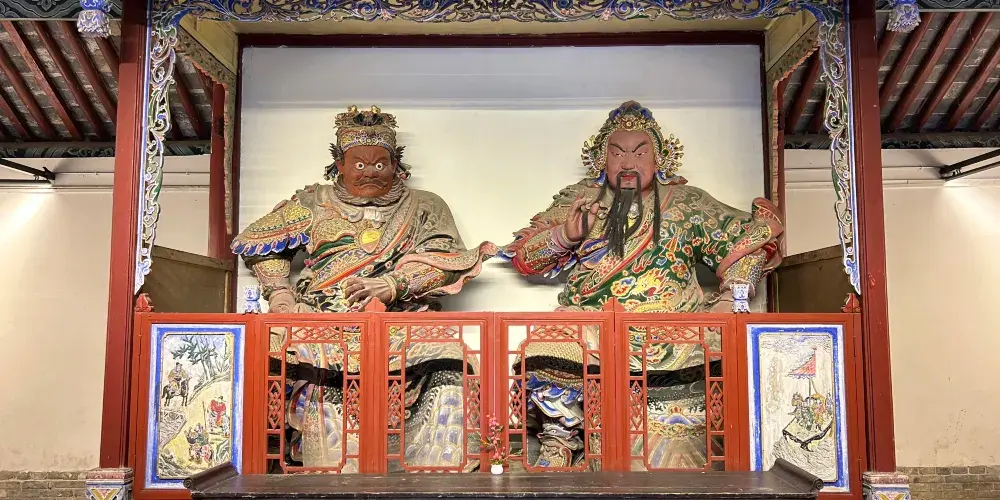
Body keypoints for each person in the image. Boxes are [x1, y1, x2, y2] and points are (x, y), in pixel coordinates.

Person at [504, 101, 784, 469]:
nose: (627, 162)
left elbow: (750, 241)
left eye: (639, 152)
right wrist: (565, 236)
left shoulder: (688, 204)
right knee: (548, 342)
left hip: (672, 327)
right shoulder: (581, 200)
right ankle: (559, 441)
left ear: (659, 158)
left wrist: (734, 294)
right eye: (616, 152)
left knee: (726, 346)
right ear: (601, 159)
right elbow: (527, 258)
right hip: (594, 325)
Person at [232, 105, 496, 472]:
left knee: (452, 357)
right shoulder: (313, 202)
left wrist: (394, 284)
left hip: (401, 325)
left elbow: (446, 260)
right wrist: (280, 292)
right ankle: (278, 462)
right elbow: (260, 246)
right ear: (340, 164)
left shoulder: (425, 205)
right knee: (268, 350)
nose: (370, 171)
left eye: (380, 163)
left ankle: (437, 474)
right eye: (359, 164)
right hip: (323, 323)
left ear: (395, 165)